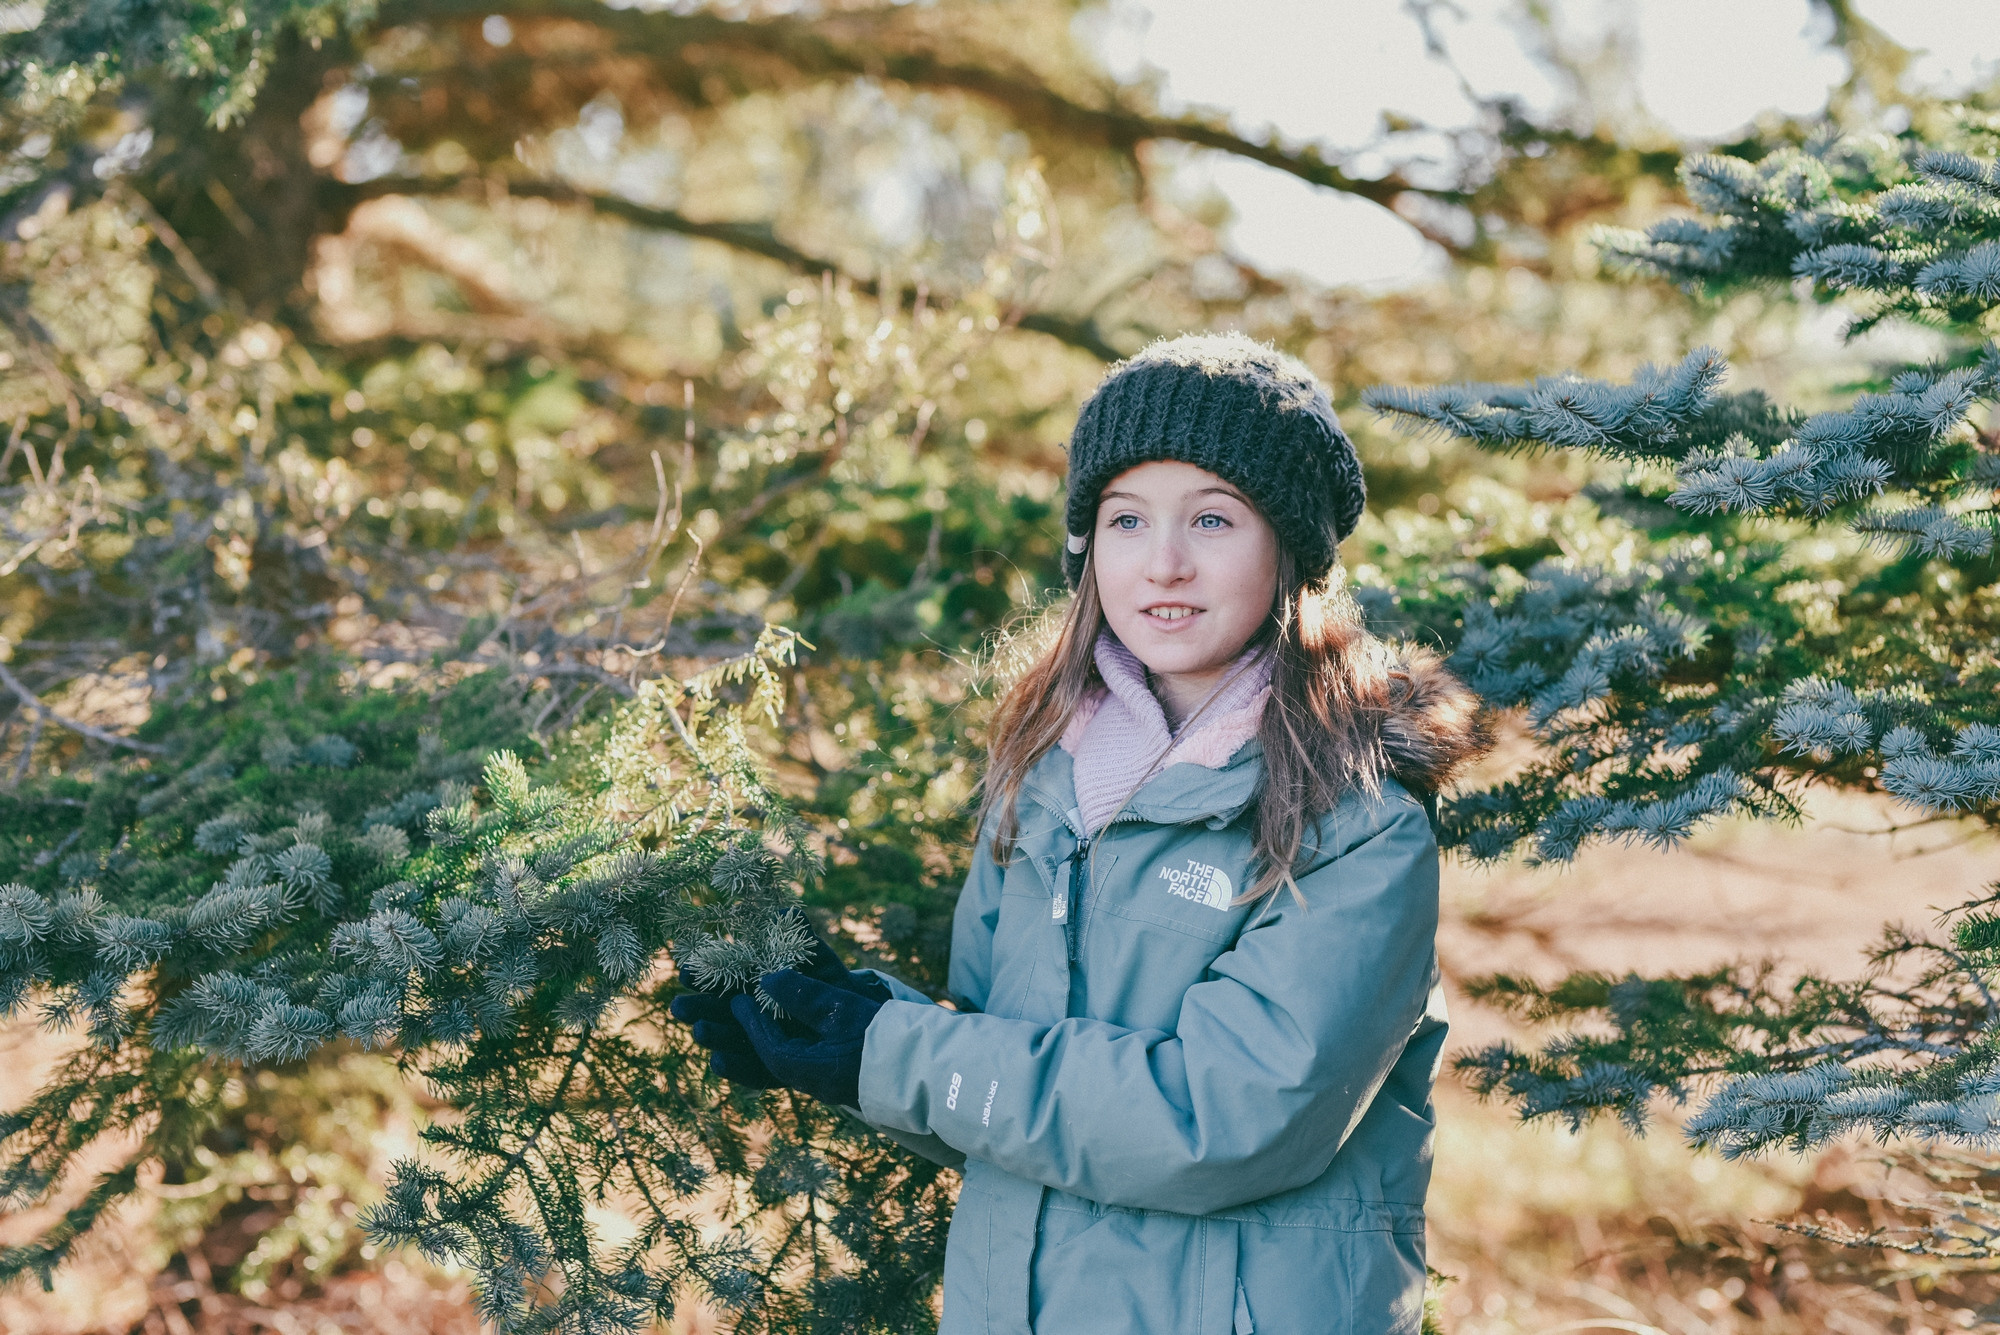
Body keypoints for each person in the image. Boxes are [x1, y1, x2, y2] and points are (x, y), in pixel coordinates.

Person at [672, 333, 1490, 1334]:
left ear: (1290, 549)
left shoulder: (1356, 818)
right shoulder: (1045, 773)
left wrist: (895, 1055)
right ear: (1086, 546)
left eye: (1213, 518)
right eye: (1125, 518)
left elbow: (1224, 1123)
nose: (1163, 563)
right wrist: (843, 1033)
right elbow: (1006, 1099)